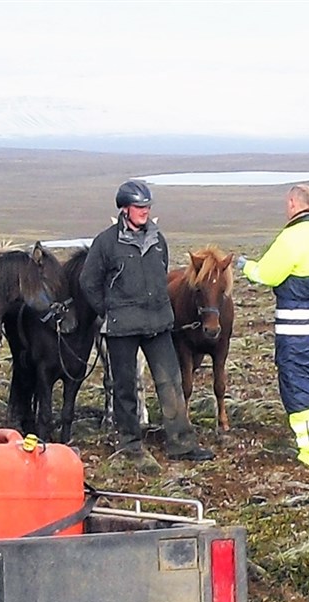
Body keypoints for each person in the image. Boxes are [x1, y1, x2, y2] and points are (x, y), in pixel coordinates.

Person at [78, 179, 214, 468]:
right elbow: (88, 282)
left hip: (158, 324)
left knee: (171, 383)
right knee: (125, 387)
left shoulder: (157, 240)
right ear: (124, 209)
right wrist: (109, 311)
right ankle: (130, 444)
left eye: (147, 206)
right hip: (122, 328)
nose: (145, 211)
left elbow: (161, 274)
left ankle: (182, 443)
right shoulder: (106, 242)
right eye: (139, 206)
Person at [235, 183, 309, 466]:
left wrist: (245, 266)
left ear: (294, 203)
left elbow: (267, 274)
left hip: (298, 327)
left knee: (299, 386)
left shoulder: (292, 237)